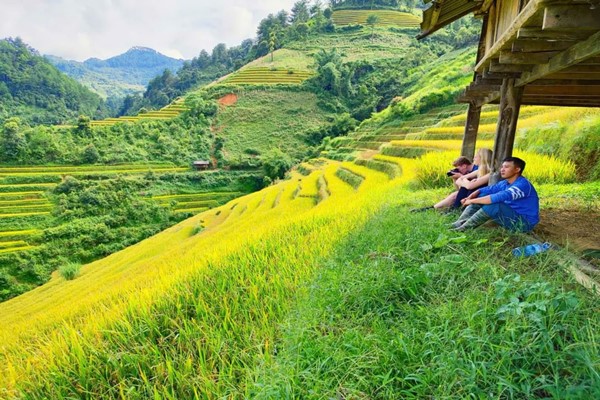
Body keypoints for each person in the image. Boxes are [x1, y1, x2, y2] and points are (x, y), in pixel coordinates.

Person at [451, 156, 539, 232]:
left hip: (523, 223)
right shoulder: (505, 183)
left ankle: (463, 229)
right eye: (502, 167)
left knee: (495, 205)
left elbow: (496, 198)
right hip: (509, 215)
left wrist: (470, 201)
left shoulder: (522, 185)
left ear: (517, 169)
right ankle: (459, 223)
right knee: (481, 195)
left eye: (506, 167)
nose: (502, 170)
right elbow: (487, 189)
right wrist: (473, 195)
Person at [411, 149, 491, 212]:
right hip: (469, 193)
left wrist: (463, 178)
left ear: (464, 166)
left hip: (478, 194)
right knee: (455, 193)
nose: (473, 158)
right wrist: (457, 178)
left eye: (476, 157)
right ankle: (433, 208)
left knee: (459, 191)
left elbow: (469, 186)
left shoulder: (481, 170)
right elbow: (460, 184)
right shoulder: (478, 170)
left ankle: (454, 209)